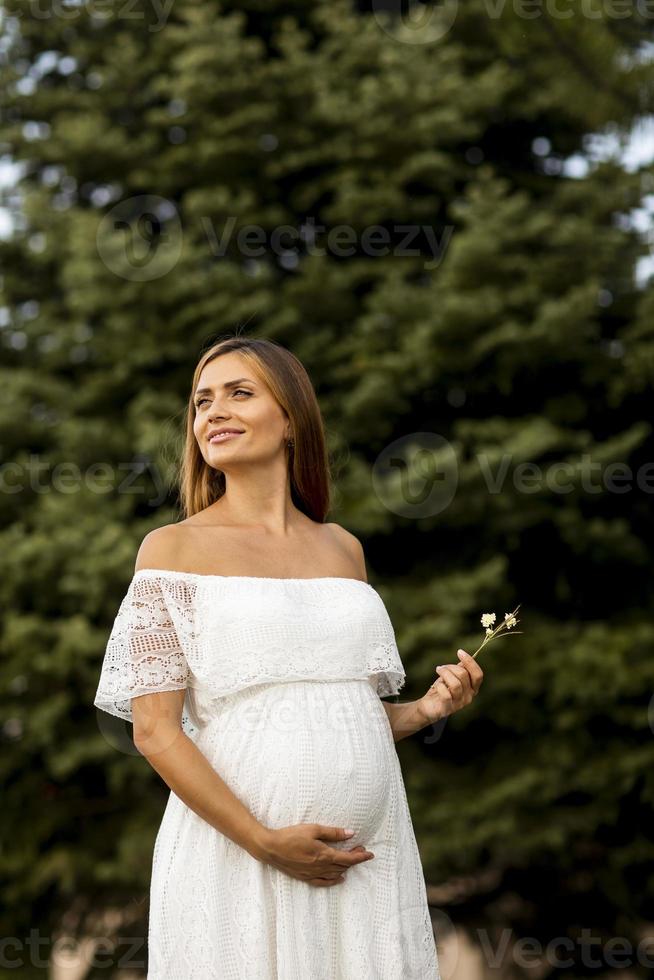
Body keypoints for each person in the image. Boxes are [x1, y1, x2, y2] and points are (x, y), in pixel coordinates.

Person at [93, 335, 483, 979]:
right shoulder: (171, 551)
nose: (213, 413)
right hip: (238, 858)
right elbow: (155, 729)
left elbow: (330, 706)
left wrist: (421, 711)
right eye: (201, 402)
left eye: (239, 394)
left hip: (365, 860)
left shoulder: (342, 551)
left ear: (292, 420)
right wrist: (265, 842)